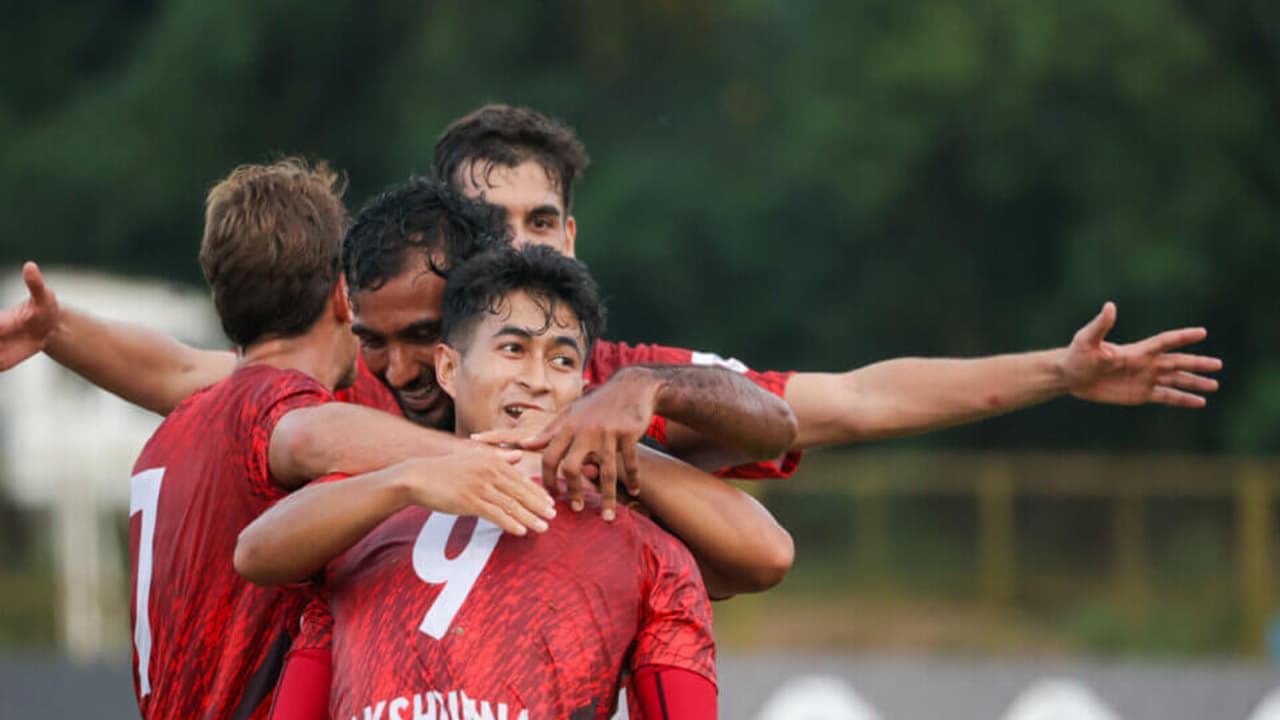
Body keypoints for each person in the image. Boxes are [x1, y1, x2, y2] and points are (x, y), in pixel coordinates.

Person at [0, 105, 1221, 485]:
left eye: (535, 222)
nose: (509, 245)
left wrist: (1057, 373)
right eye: (484, 223)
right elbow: (195, 377)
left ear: (568, 234)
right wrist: (56, 331)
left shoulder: (621, 373)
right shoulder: (363, 369)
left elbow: (846, 400)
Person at [125, 160, 561, 719]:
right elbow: (306, 434)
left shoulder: (170, 433)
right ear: (342, 295)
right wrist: (494, 459)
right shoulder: (279, 404)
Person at [237, 244, 720, 719]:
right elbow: (254, 553)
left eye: (562, 361)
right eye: (513, 349)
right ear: (448, 368)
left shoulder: (645, 549)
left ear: (582, 390)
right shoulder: (363, 512)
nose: (537, 379)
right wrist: (404, 483)